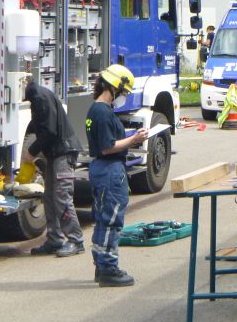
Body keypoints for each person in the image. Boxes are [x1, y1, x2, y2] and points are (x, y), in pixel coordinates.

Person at [85, 64, 148, 287]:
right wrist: (133, 140)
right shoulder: (102, 112)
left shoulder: (98, 110)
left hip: (104, 170)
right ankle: (108, 268)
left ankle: (102, 265)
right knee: (111, 221)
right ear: (114, 88)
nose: (124, 97)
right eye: (123, 92)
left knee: (105, 219)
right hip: (110, 170)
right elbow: (107, 146)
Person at [22, 79, 86, 257]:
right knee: (48, 196)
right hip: (56, 153)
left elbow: (50, 132)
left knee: (62, 197)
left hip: (64, 152)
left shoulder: (40, 98)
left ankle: (76, 240)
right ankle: (54, 239)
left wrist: (32, 152)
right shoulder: (37, 97)